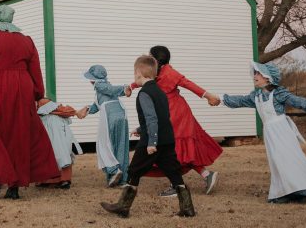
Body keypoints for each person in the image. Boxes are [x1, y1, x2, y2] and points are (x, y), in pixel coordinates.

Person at [0, 5, 60, 200]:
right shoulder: (26, 41)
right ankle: (13, 187)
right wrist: (38, 94)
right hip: (22, 90)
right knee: (18, 136)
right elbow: (35, 70)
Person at [101, 55, 195, 218]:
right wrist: (141, 128)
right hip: (167, 140)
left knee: (134, 170)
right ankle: (187, 208)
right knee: (174, 173)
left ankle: (123, 206)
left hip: (152, 142)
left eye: (134, 73)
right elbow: (161, 117)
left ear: (139, 73)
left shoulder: (144, 93)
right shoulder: (160, 92)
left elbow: (152, 118)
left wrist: (151, 141)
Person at [218, 61, 306, 204]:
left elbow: (297, 101)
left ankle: (304, 188)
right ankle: (285, 191)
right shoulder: (256, 96)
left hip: (282, 131)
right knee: (277, 162)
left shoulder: (279, 93)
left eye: (258, 73)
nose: (254, 76)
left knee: (290, 158)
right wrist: (220, 99)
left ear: (267, 77)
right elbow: (240, 101)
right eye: (254, 73)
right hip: (269, 133)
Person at [130, 46, 222, 196]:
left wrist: (208, 95)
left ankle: (176, 186)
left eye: (149, 56)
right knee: (180, 151)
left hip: (176, 115)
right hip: (172, 112)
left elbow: (188, 84)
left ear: (156, 60)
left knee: (174, 151)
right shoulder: (155, 73)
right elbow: (142, 79)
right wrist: (130, 87)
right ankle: (206, 175)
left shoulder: (170, 73)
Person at [77, 65, 132, 187]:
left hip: (110, 116)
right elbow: (98, 105)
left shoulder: (100, 85)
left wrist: (124, 89)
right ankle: (122, 180)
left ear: (93, 79)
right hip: (121, 115)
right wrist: (87, 110)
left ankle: (114, 170)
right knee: (121, 145)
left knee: (104, 145)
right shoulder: (103, 88)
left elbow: (110, 89)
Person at [36, 98, 83, 189]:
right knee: (56, 153)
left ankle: (62, 180)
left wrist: (75, 112)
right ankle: (51, 180)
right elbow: (62, 111)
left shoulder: (42, 102)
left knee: (60, 153)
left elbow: (60, 110)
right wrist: (76, 112)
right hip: (50, 132)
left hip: (55, 131)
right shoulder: (39, 103)